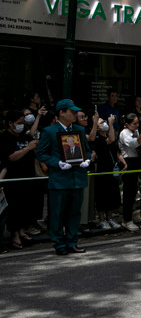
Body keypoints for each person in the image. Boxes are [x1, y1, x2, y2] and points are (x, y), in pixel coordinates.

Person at [35, 99, 91, 255]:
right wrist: (57, 163)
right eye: (71, 111)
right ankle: (59, 243)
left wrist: (87, 159)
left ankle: (72, 241)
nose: (75, 114)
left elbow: (87, 150)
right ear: (61, 112)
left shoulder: (79, 130)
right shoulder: (49, 131)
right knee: (57, 212)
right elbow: (41, 153)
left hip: (77, 177)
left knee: (75, 212)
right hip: (59, 179)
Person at [0, 110, 39, 249]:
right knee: (14, 208)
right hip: (12, 180)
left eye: (23, 123)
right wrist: (28, 148)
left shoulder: (24, 136)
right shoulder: (5, 138)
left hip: (27, 178)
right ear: (10, 123)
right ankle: (14, 235)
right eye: (19, 123)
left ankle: (22, 231)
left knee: (24, 207)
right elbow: (10, 158)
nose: (21, 126)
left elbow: (32, 139)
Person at [91, 114, 122, 229]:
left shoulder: (109, 136)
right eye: (101, 122)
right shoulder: (97, 139)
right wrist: (110, 123)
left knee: (112, 194)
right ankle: (102, 219)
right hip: (101, 170)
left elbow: (115, 148)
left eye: (104, 121)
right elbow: (111, 139)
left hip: (111, 169)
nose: (104, 123)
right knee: (102, 195)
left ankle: (110, 218)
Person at [118, 113, 141, 230]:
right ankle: (126, 220)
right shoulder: (124, 133)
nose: (137, 125)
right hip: (128, 161)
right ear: (127, 124)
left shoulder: (136, 131)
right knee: (128, 192)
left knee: (133, 192)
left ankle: (131, 217)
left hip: (136, 160)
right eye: (134, 123)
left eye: (138, 123)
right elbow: (133, 144)